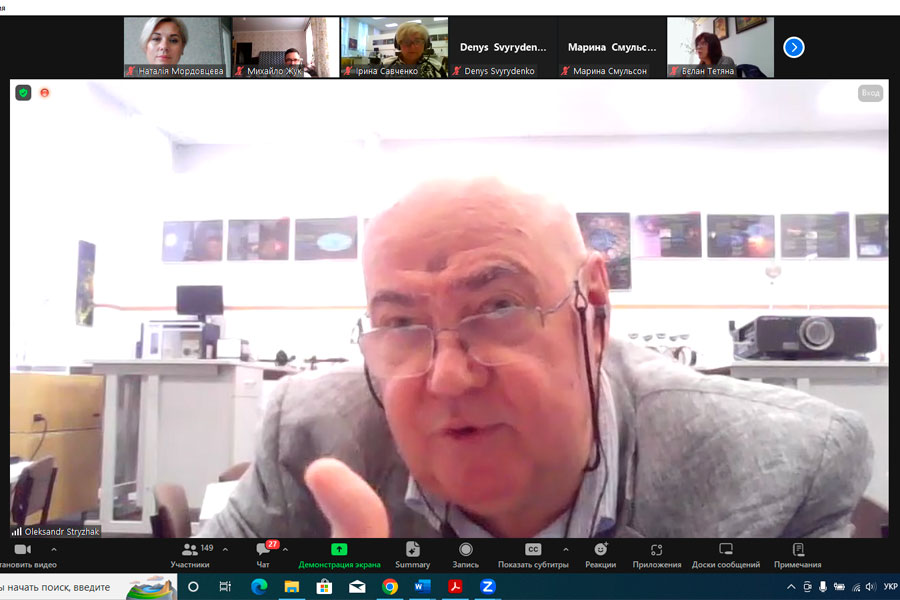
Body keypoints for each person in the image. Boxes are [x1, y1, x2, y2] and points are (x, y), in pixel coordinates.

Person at [200, 178, 873, 538]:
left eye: (499, 308)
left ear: (595, 311)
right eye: (401, 324)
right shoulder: (311, 440)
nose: (448, 376)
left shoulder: (777, 471)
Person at [381, 22, 446, 78]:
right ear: (398, 44)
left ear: (426, 44)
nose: (412, 47)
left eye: (417, 41)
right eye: (406, 41)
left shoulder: (436, 67)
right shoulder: (385, 65)